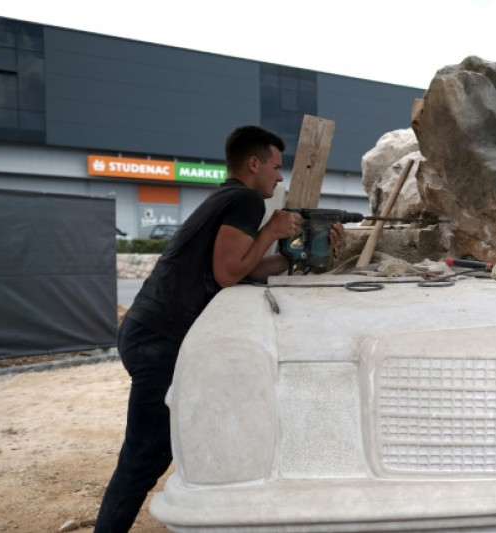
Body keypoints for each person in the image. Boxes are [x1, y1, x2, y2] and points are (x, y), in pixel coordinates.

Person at [95, 125, 343, 532]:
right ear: (253, 163)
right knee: (143, 458)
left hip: (149, 331)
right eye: (276, 167)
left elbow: (245, 267)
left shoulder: (228, 198)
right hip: (158, 338)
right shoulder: (244, 201)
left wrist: (298, 257)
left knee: (157, 451)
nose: (280, 177)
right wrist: (272, 230)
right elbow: (229, 273)